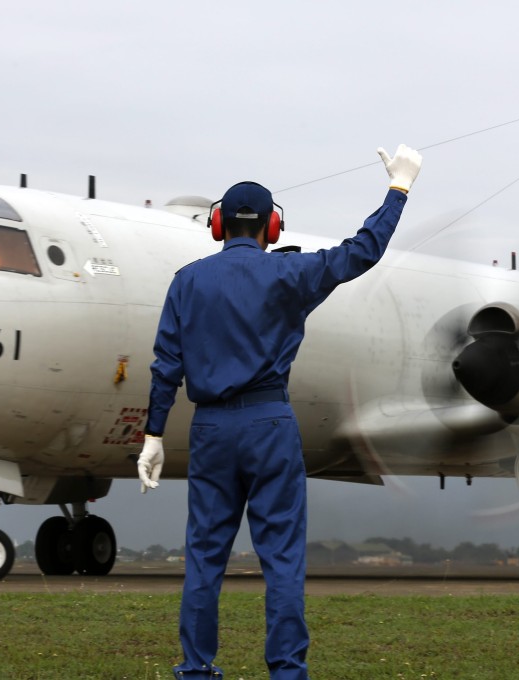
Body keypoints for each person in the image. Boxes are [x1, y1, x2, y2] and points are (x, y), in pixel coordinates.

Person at [136, 144, 423, 679]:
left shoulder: (187, 280)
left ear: (218, 223)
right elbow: (362, 251)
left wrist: (153, 435)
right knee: (282, 561)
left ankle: (197, 670)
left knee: (204, 560)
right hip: (270, 423)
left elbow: (165, 366)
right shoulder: (291, 274)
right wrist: (398, 188)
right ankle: (287, 672)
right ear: (273, 227)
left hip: (212, 429)